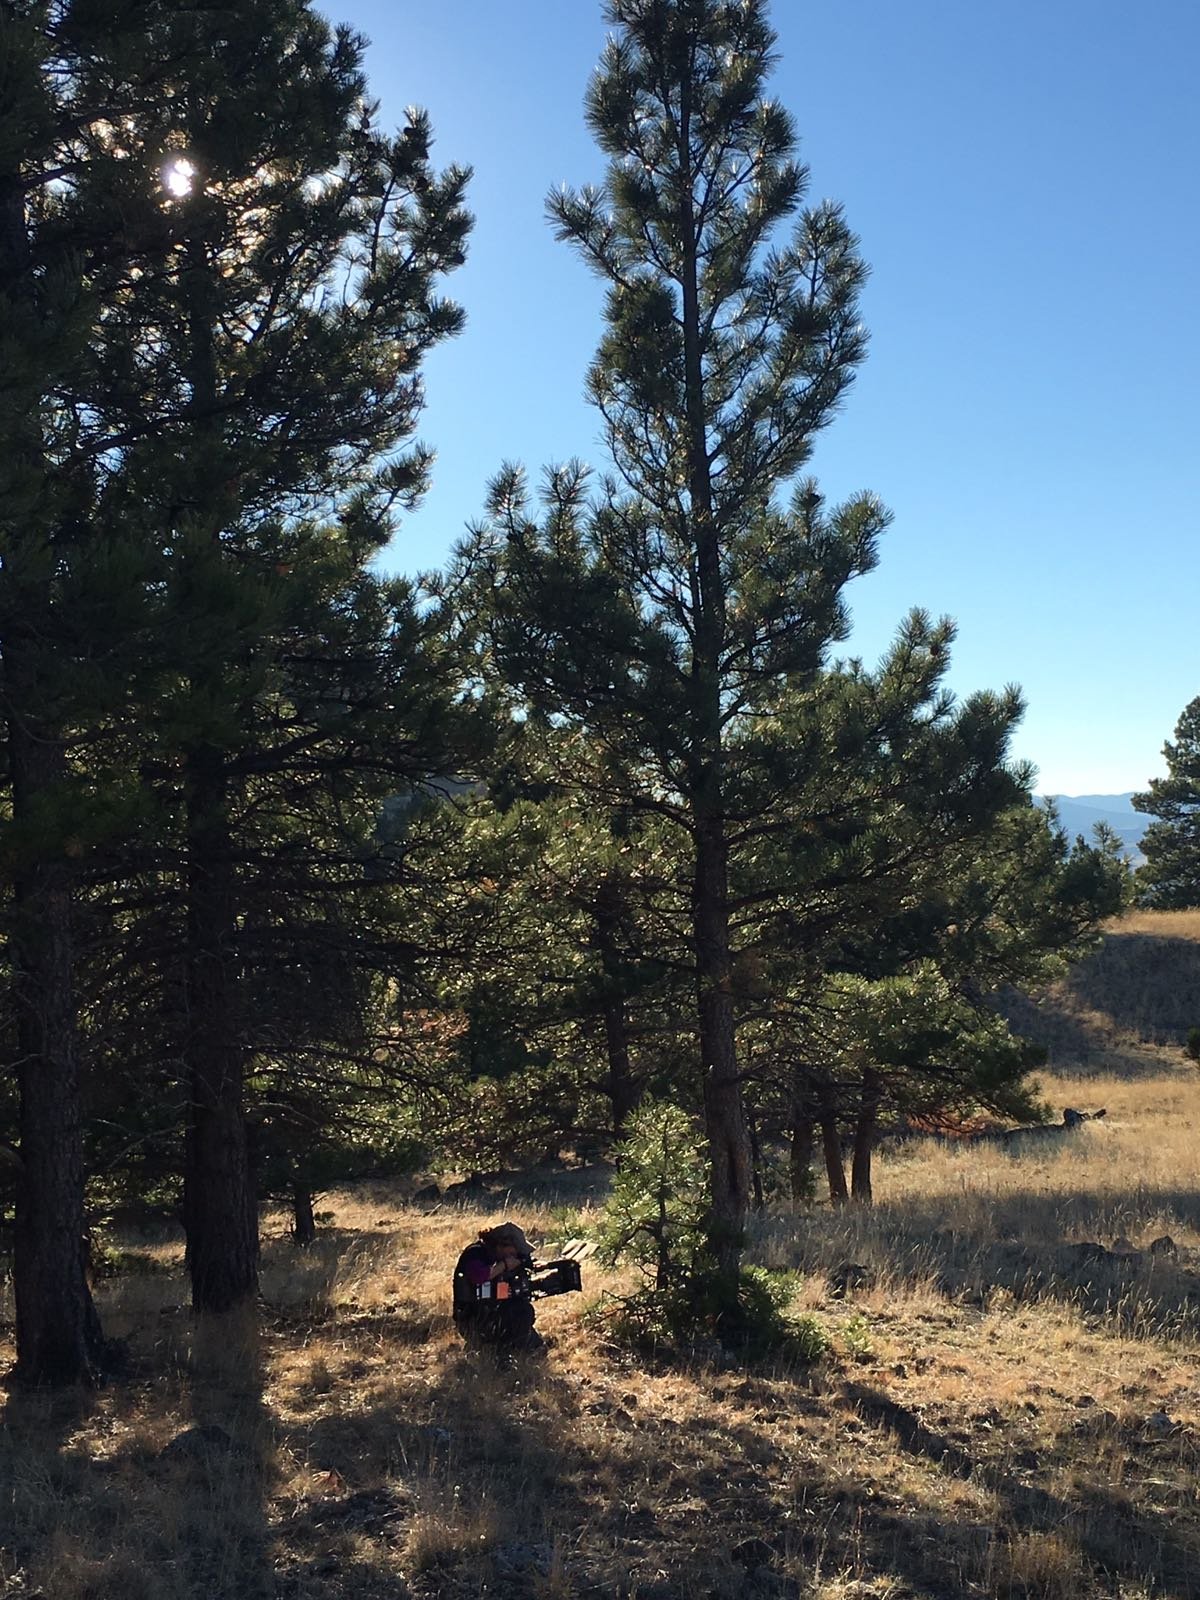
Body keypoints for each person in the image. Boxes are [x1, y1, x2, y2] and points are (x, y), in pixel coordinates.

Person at [452, 1221, 546, 1356]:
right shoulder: (475, 1253)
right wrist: (504, 1265)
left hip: (495, 1313)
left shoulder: (497, 1256)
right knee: (516, 1314)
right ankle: (493, 1352)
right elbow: (479, 1276)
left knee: (521, 1310)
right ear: (501, 1245)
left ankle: (522, 1348)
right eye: (514, 1251)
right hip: (472, 1320)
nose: (516, 1255)